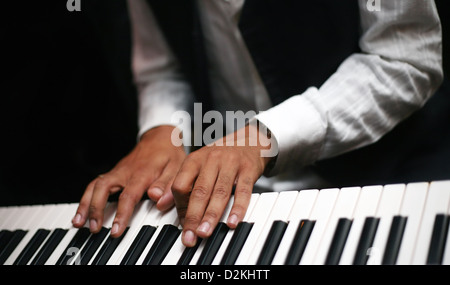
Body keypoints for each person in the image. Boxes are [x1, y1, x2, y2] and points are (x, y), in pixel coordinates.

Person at [72, 0, 443, 248]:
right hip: (234, 197)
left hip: (393, 174)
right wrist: (160, 130)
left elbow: (405, 58)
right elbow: (164, 68)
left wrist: (263, 138)